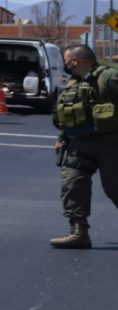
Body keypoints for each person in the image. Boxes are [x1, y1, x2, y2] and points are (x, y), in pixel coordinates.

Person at [49, 45, 118, 249]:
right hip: (79, 143)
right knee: (72, 184)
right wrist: (61, 138)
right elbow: (67, 113)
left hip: (111, 144)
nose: (65, 64)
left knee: (114, 188)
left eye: (66, 60)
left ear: (75, 61)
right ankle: (79, 233)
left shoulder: (109, 77)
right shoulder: (73, 82)